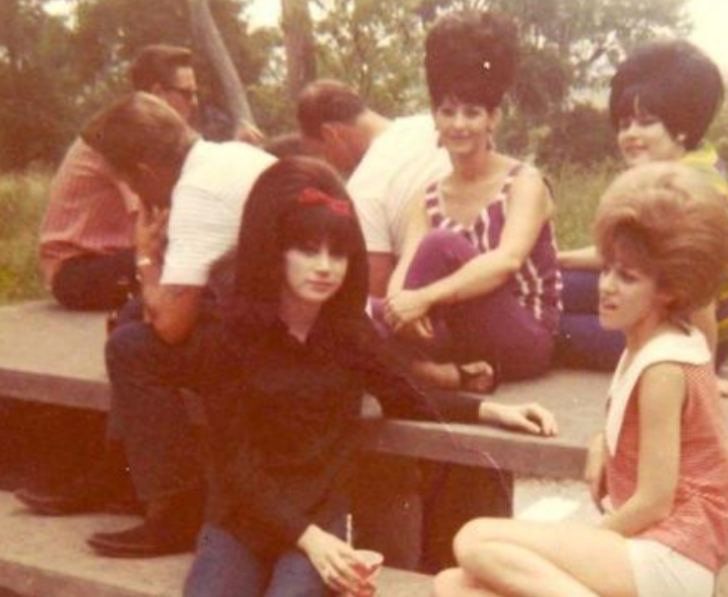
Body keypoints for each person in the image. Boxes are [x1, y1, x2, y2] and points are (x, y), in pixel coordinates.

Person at [160, 156, 556, 597]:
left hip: (321, 520)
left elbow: (409, 392)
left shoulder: (346, 332)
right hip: (244, 520)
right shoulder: (228, 335)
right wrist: (307, 537)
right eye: (305, 247)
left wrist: (493, 408)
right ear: (271, 249)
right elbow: (235, 467)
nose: (324, 266)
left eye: (338, 251)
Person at [432, 162, 728, 597]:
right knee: (450, 591)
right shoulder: (647, 341)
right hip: (648, 563)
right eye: (608, 269)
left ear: (670, 289)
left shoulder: (665, 364)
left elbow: (654, 499)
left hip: (672, 563)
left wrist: (575, 544)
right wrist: (603, 443)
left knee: (475, 540)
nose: (606, 287)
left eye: (628, 277)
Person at [15, 94, 275, 557]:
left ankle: (176, 507)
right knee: (135, 315)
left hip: (278, 345)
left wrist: (144, 255)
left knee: (131, 347)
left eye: (130, 182)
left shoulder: (196, 195)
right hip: (277, 315)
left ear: (146, 171)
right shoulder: (231, 155)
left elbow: (172, 329)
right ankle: (123, 470)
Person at [379, 10, 562, 393]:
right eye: (448, 112)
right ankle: (442, 372)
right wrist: (399, 303)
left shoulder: (524, 183)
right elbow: (406, 269)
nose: (458, 124)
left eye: (472, 112)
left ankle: (404, 362)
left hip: (523, 337)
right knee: (367, 309)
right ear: (435, 118)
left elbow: (505, 261)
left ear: (492, 118)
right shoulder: (427, 196)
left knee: (441, 245)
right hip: (460, 337)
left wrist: (422, 298)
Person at [556, 39, 728, 397]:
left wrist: (702, 373)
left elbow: (700, 297)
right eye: (625, 123)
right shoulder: (695, 160)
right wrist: (561, 258)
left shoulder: (689, 190)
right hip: (664, 306)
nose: (631, 135)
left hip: (686, 337)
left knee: (548, 324)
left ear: (681, 127)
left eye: (647, 123)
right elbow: (643, 253)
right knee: (550, 283)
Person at [40, 45, 200, 311]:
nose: (194, 102)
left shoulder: (145, 134)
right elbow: (157, 220)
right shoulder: (121, 138)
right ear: (158, 94)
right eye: (187, 93)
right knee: (193, 254)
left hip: (110, 259)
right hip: (77, 271)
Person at [296, 79, 451, 297]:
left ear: (331, 134)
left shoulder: (363, 188)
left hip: (434, 299)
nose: (328, 164)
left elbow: (376, 288)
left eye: (322, 153)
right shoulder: (433, 125)